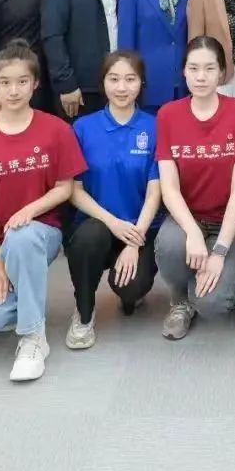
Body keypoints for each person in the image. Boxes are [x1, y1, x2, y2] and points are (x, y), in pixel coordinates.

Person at [0, 40, 85, 381]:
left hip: (40, 232)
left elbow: (65, 188)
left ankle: (32, 338)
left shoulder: (56, 129)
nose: (13, 91)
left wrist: (30, 209)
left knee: (22, 236)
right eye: (5, 82)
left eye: (22, 82)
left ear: (35, 84)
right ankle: (30, 298)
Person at [154, 36, 235, 340]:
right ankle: (180, 301)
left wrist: (220, 252)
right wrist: (194, 233)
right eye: (194, 68)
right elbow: (169, 188)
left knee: (212, 304)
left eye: (210, 68)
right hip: (189, 218)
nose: (201, 77)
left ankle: (217, 287)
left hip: (232, 223)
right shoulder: (168, 115)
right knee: (169, 246)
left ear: (222, 72)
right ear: (183, 71)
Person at [63, 51, 162, 350]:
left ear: (141, 83)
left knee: (131, 288)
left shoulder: (154, 127)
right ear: (102, 82)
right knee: (87, 240)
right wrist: (113, 223)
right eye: (114, 79)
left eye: (130, 79)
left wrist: (134, 241)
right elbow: (74, 190)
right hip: (97, 225)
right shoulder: (83, 128)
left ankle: (130, 294)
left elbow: (156, 191)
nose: (122, 87)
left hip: (140, 228)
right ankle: (83, 313)